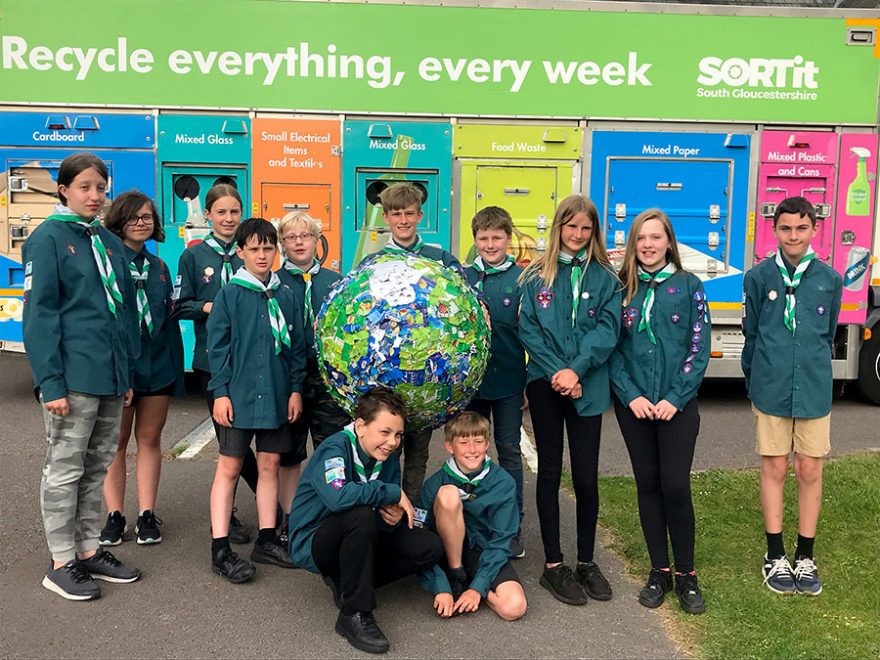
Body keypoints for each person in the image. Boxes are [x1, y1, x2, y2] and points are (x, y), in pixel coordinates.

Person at [23, 152, 141, 600]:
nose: (96, 195)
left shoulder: (108, 243)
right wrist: (50, 382)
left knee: (96, 468)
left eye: (101, 187)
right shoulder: (48, 239)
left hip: (109, 377)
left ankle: (89, 548)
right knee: (65, 470)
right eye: (86, 187)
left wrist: (125, 372)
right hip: (71, 379)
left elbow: (121, 314)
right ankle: (61, 561)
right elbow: (40, 316)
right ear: (63, 189)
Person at [518, 194, 621, 606]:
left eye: (585, 228)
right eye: (571, 226)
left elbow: (608, 330)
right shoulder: (535, 276)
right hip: (546, 383)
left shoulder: (606, 279)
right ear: (558, 226)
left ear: (593, 232)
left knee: (585, 477)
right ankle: (553, 565)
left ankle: (585, 561)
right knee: (549, 473)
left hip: (588, 385)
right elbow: (529, 330)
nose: (577, 235)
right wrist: (560, 373)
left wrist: (576, 371)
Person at [288, 387, 443, 654]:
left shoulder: (387, 458)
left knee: (428, 547)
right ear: (360, 426)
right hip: (315, 541)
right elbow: (339, 497)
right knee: (358, 515)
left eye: (398, 435)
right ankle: (353, 613)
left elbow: (380, 518)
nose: (392, 442)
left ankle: (348, 583)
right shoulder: (335, 448)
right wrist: (391, 493)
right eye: (385, 432)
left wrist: (391, 518)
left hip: (360, 534)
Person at [609, 209, 709, 614]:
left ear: (669, 242)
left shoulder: (688, 286)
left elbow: (698, 345)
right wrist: (631, 395)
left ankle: (687, 575)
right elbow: (610, 349)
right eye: (640, 238)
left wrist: (675, 396)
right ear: (633, 245)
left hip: (675, 406)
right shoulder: (620, 290)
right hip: (634, 406)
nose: (648, 245)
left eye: (655, 237)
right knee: (647, 484)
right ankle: (659, 570)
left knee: (675, 485)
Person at [742, 196, 842, 597]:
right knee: (775, 468)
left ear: (814, 229)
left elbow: (827, 334)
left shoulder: (828, 280)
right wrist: (757, 379)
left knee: (810, 469)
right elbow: (752, 335)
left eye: (801, 228)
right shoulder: (759, 277)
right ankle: (775, 554)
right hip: (771, 387)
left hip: (814, 389)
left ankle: (805, 555)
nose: (793, 236)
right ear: (775, 230)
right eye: (786, 228)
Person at [206, 218, 306, 583]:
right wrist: (220, 393)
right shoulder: (231, 294)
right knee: (230, 468)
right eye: (254, 249)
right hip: (239, 397)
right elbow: (217, 349)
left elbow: (296, 349)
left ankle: (267, 539)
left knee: (269, 465)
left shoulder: (286, 295)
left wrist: (295, 389)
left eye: (268, 248)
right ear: (241, 252)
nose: (262, 255)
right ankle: (220, 549)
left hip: (277, 397)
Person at [362, 182, 465, 503]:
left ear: (420, 215)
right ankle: (387, 510)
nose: (403, 220)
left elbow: (465, 304)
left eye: (409, 213)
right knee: (385, 452)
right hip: (385, 384)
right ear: (387, 218)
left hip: (426, 382)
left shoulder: (440, 260)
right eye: (396, 214)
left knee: (418, 456)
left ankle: (413, 515)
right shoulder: (373, 264)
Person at [99, 191, 185, 546]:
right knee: (115, 443)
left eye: (148, 217)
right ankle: (114, 515)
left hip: (157, 367)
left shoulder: (160, 268)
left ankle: (147, 514)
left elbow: (166, 320)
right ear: (119, 221)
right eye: (134, 217)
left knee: (149, 440)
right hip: (121, 368)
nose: (141, 222)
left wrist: (175, 371)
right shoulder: (105, 263)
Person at [172, 183, 252, 543]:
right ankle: (228, 515)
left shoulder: (249, 254)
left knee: (256, 440)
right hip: (211, 362)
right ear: (208, 215)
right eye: (221, 212)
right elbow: (179, 305)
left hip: (250, 363)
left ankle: (273, 506)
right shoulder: (193, 257)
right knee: (228, 443)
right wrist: (210, 307)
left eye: (234, 212)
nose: (228, 218)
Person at [275, 212, 351, 543]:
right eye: (290, 238)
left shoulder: (337, 282)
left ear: (317, 240)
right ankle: (290, 517)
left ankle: (326, 510)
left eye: (305, 236)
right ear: (282, 244)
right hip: (287, 379)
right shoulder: (274, 283)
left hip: (327, 378)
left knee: (328, 449)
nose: (299, 243)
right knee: (289, 452)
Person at [417, 412, 528, 621]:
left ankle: (469, 589)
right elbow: (418, 536)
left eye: (478, 441)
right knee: (448, 494)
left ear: (487, 444)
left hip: (483, 551)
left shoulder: (503, 482)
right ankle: (456, 574)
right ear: (449, 446)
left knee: (515, 607)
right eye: (464, 442)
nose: (472, 449)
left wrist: (477, 588)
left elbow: (502, 539)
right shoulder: (435, 484)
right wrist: (439, 585)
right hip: (444, 555)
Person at [463, 206, 527, 558]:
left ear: (508, 238)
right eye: (483, 238)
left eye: (497, 238)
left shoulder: (522, 280)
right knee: (470, 452)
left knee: (510, 452)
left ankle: (512, 524)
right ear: (475, 240)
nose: (490, 244)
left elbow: (530, 334)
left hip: (508, 382)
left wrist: (527, 384)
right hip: (471, 386)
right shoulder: (462, 276)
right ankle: (473, 520)